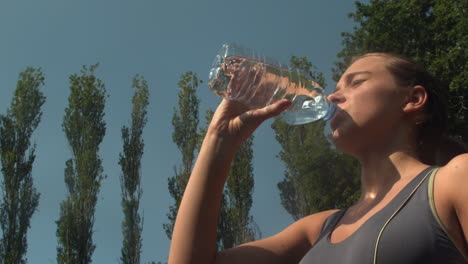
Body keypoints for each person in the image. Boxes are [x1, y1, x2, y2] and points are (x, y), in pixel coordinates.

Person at [168, 53, 468, 263]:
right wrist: (219, 140)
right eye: (336, 88)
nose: (331, 97)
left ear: (413, 99)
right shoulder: (319, 229)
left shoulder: (453, 180)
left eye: (356, 82)